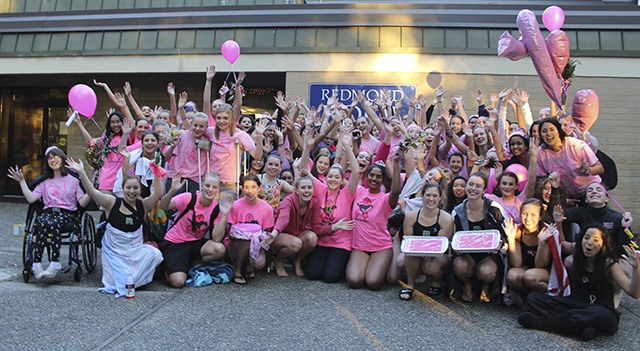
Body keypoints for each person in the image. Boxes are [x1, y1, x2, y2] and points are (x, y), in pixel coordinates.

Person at [518, 224, 640, 340]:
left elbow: (634, 293)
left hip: (598, 308)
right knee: (534, 298)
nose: (589, 243)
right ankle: (584, 327)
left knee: (601, 315)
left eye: (596, 240)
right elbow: (562, 243)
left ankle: (543, 323)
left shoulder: (609, 264)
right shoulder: (575, 258)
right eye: (586, 238)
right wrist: (557, 224)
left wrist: (636, 269)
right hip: (574, 304)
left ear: (603, 245)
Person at [66, 158, 163, 297]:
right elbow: (93, 192)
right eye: (128, 187)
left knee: (155, 255)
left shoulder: (143, 205)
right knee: (112, 282)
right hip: (114, 252)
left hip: (134, 250)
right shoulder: (111, 202)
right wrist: (82, 173)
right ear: (122, 189)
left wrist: (156, 172)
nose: (132, 191)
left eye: (135, 188)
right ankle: (129, 280)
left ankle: (132, 280)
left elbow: (158, 194)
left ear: (140, 189)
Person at [8, 147, 90, 280]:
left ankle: (53, 263)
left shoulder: (74, 180)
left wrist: (91, 190)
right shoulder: (44, 181)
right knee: (43, 221)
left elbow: (82, 203)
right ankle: (38, 264)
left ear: (62, 158)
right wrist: (22, 182)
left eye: (55, 156)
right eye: (50, 158)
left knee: (52, 223)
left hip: (67, 214)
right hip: (48, 212)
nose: (53, 160)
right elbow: (31, 199)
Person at [263, 171, 350, 277]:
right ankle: (278, 260)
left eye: (309, 187)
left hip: (297, 235)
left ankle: (297, 261)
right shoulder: (289, 200)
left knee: (312, 237)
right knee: (296, 243)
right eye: (303, 188)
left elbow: (317, 229)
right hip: (278, 235)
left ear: (313, 190)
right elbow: (283, 218)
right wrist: (275, 233)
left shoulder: (314, 203)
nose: (307, 191)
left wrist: (334, 227)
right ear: (296, 190)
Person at [304, 133, 359, 283]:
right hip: (323, 239)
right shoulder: (321, 189)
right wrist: (307, 148)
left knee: (330, 277)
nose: (332, 180)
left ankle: (341, 264)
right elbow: (304, 169)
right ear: (326, 177)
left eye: (336, 177)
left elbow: (356, 172)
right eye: (330, 176)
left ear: (342, 180)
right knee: (312, 274)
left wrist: (347, 147)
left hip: (341, 242)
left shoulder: (347, 193)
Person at [158, 173, 230, 288]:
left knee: (219, 249)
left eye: (214, 187)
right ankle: (167, 268)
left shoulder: (217, 207)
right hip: (175, 242)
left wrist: (224, 215)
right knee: (178, 282)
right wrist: (172, 191)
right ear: (201, 186)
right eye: (207, 185)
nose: (210, 189)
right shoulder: (189, 198)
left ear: (218, 189)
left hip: (195, 243)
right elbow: (163, 206)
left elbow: (217, 238)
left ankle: (190, 264)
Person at [346, 150, 402, 290]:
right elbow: (341, 178)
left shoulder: (385, 199)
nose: (374, 179)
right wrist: (347, 146)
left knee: (373, 283)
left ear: (382, 180)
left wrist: (395, 162)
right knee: (354, 281)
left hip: (380, 247)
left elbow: (396, 190)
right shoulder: (358, 191)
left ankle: (385, 265)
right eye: (371, 175)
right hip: (360, 246)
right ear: (366, 176)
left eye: (378, 176)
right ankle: (367, 265)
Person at [451, 172, 506, 302]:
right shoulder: (457, 212)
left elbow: (504, 234)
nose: (473, 189)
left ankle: (486, 286)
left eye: (478, 186)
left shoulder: (494, 208)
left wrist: (500, 244)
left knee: (486, 272)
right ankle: (468, 284)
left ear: (484, 190)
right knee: (460, 266)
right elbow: (454, 238)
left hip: (489, 255)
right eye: (470, 184)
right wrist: (456, 247)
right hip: (467, 255)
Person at [399, 182, 454, 300]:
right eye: (428, 195)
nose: (431, 199)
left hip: (437, 255)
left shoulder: (446, 219)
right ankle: (410, 284)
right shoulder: (411, 216)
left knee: (431, 265)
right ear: (422, 196)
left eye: (435, 196)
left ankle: (436, 281)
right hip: (416, 252)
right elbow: (409, 242)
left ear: (440, 198)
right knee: (402, 260)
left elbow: (440, 246)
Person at [536, 118, 603, 200]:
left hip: (591, 191)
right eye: (544, 131)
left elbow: (600, 168)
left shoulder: (576, 144)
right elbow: (542, 180)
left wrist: (588, 170)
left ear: (559, 131)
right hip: (568, 197)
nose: (548, 134)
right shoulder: (541, 152)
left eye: (552, 129)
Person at [503, 199, 555, 303]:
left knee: (530, 276)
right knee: (512, 276)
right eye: (524, 214)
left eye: (533, 215)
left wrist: (541, 243)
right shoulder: (517, 231)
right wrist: (511, 239)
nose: (528, 219)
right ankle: (529, 297)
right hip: (525, 268)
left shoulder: (546, 232)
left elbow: (540, 265)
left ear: (540, 217)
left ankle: (549, 298)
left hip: (544, 272)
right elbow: (516, 264)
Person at [227, 174, 275, 284]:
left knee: (259, 263)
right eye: (246, 187)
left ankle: (248, 264)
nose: (250, 191)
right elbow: (229, 231)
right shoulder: (236, 205)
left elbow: (266, 232)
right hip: (235, 244)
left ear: (259, 188)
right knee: (246, 240)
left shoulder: (267, 209)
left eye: (253, 187)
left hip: (256, 244)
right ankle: (238, 271)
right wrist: (242, 235)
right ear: (242, 189)